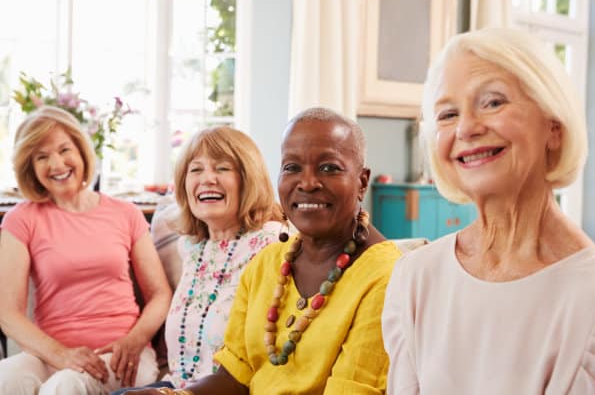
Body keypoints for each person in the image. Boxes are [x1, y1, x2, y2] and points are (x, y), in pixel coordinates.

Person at [382, 28, 595, 394]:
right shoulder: (415, 277)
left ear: (553, 127)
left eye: (492, 102)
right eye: (447, 114)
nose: (467, 128)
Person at [122, 107, 402, 395]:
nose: (307, 183)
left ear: (362, 182)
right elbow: (235, 375)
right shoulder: (268, 263)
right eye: (292, 167)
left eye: (329, 167)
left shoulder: (387, 276)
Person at [0, 106, 172, 394]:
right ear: (30, 166)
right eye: (42, 157)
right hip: (53, 355)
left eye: (64, 149)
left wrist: (134, 340)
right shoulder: (21, 219)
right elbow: (8, 312)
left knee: (65, 387)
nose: (56, 164)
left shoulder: (125, 213)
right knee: (7, 376)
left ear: (81, 151)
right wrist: (61, 355)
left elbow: (160, 293)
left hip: (122, 356)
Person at [112, 126, 284, 394]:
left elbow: (260, 362)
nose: (207, 179)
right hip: (179, 387)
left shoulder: (271, 245)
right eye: (196, 170)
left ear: (248, 179)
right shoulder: (191, 247)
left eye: (222, 168)